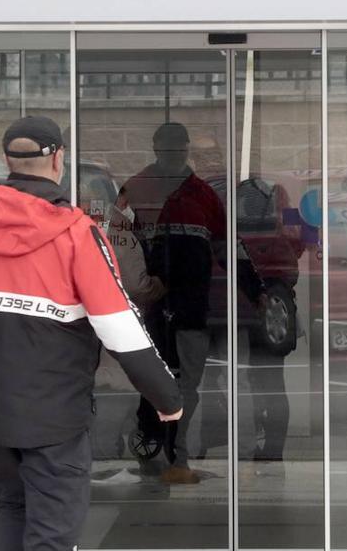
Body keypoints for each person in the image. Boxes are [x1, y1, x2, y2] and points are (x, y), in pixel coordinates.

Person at [0, 115, 182, 551]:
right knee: (53, 534)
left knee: (11, 509)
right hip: (56, 417)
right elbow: (119, 327)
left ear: (7, 160)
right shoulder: (77, 234)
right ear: (59, 159)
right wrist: (167, 398)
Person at [119, 122, 225, 484]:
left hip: (191, 305)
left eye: (178, 150)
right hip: (149, 303)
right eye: (166, 150)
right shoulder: (135, 188)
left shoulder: (203, 195)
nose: (172, 156)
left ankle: (177, 455)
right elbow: (117, 239)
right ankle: (152, 439)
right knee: (155, 379)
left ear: (186, 149)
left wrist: (252, 289)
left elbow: (225, 246)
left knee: (185, 385)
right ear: (155, 149)